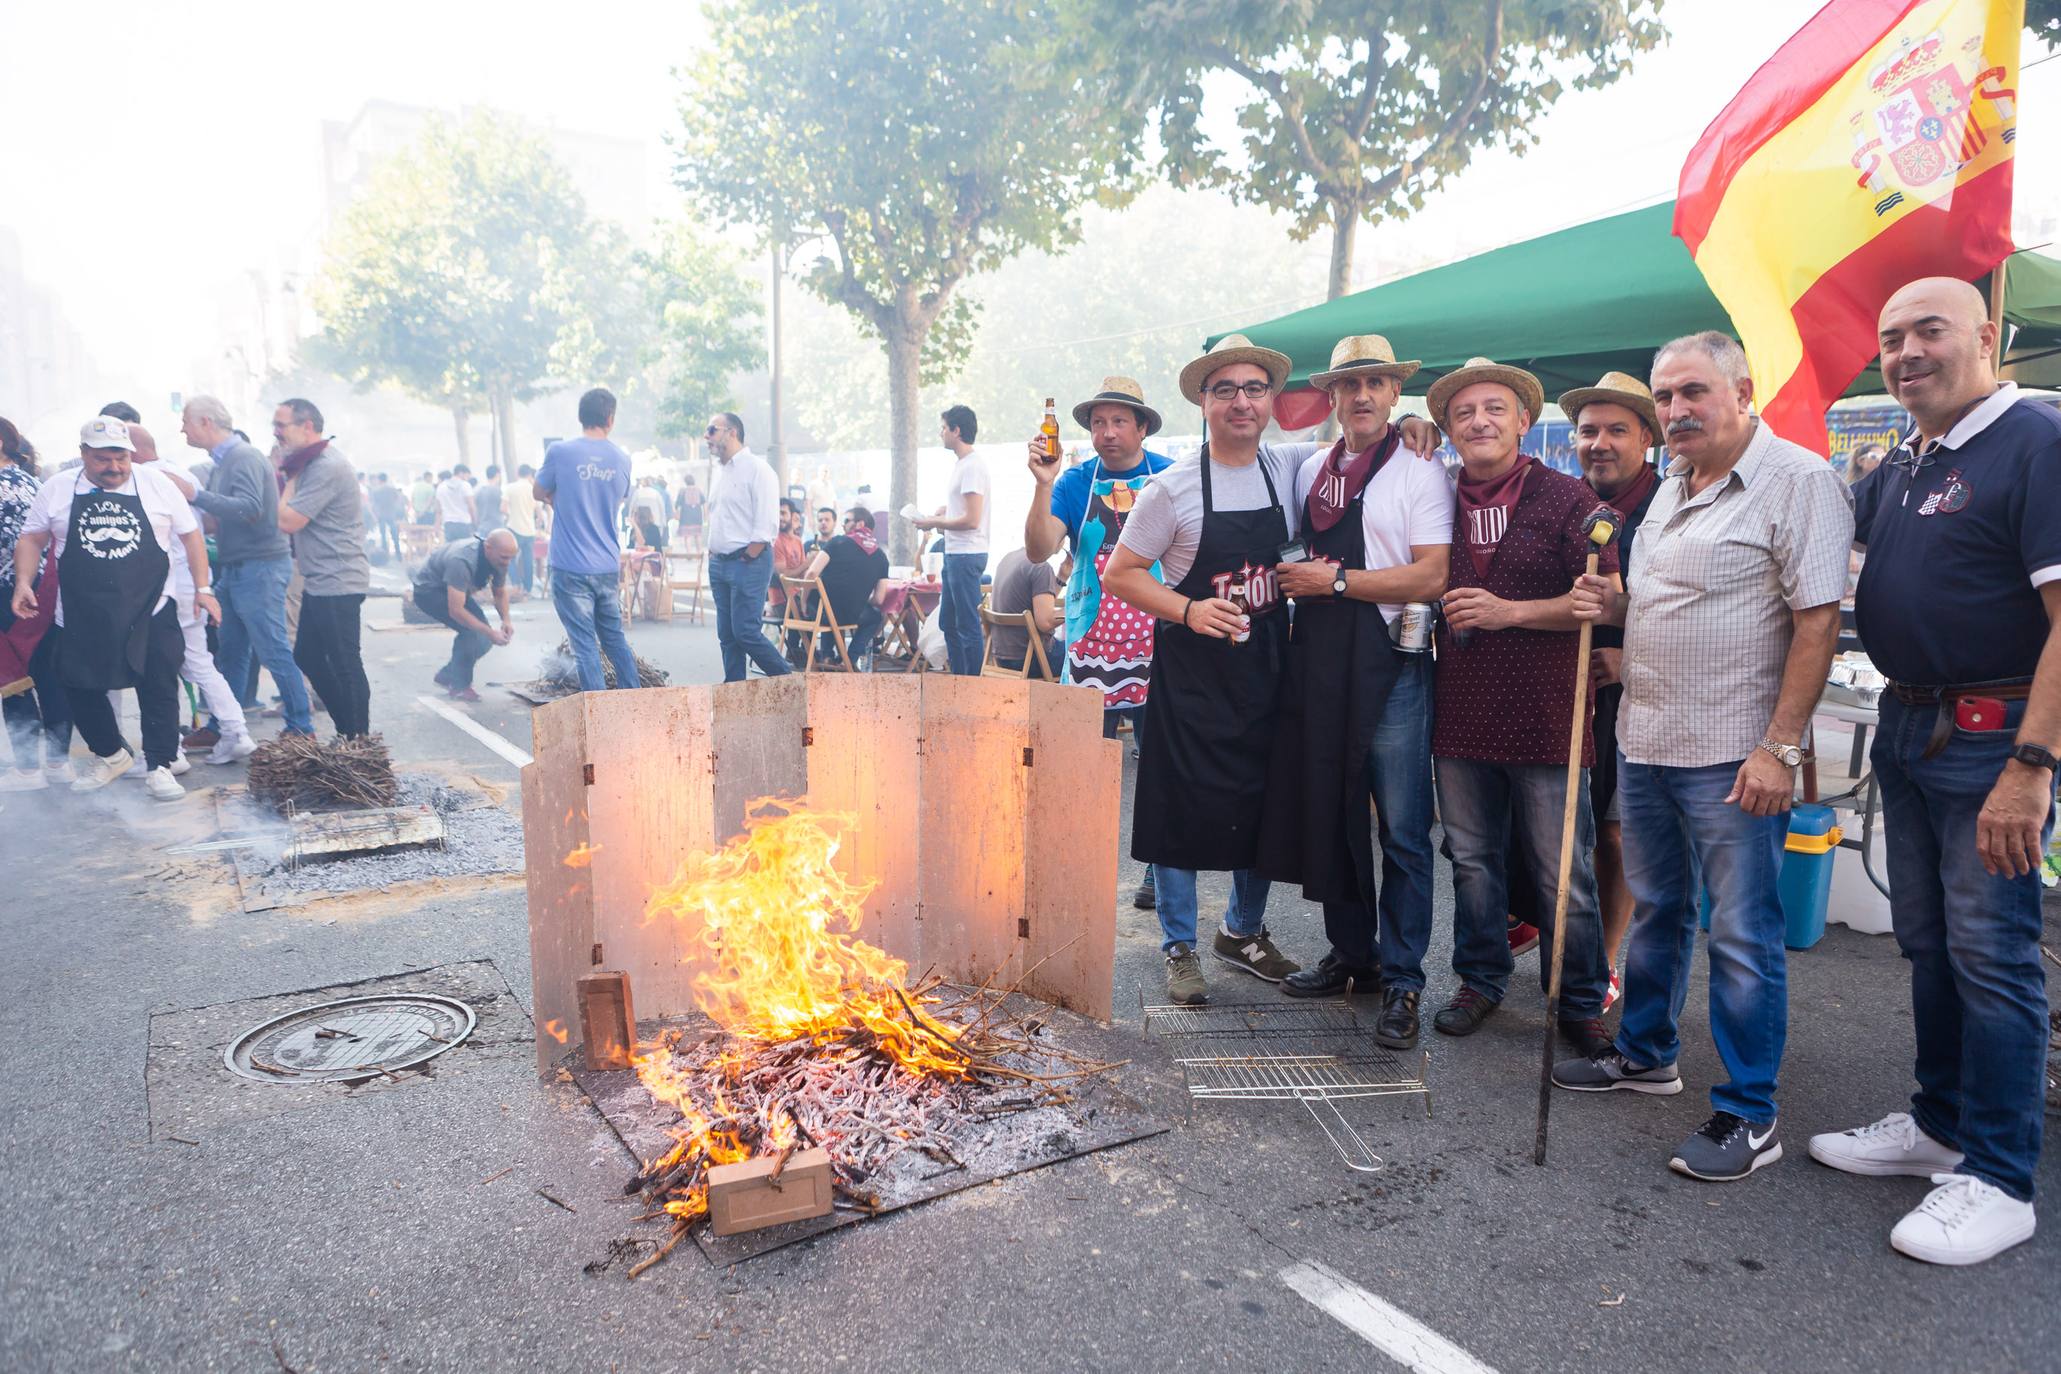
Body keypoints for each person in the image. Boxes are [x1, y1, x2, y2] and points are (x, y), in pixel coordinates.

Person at [1554, 331, 1851, 1184]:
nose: (1675, 411)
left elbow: (1816, 623)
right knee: (1656, 911)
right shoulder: (1675, 489)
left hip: (1731, 754)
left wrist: (1778, 748)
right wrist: (1612, 599)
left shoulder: (1797, 482)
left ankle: (1750, 1113)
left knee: (1743, 935)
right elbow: (1666, 600)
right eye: (1665, 397)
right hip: (1646, 741)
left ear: (1741, 391)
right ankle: (1646, 1056)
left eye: (1692, 392)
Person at [1810, 277, 2057, 1263]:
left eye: (1929, 331)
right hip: (1912, 732)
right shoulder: (1909, 460)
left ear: (1987, 337)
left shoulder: (2034, 442)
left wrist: (2033, 765)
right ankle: (1939, 1124)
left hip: (1995, 740)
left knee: (1993, 958)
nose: (1905, 351)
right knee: (1930, 945)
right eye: (1890, 337)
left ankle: (1999, 1176)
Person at [1257, 335, 1452, 1053]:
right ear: (1331, 397)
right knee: (1332, 812)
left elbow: (1432, 575)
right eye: (1349, 385)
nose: (1362, 396)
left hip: (1390, 664)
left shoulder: (1419, 471)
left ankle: (1403, 978)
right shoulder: (1309, 466)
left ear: (1392, 394)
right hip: (1318, 662)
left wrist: (1334, 582)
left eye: (1374, 383)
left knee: (1402, 832)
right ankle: (1354, 955)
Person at [1423, 357, 1617, 1060]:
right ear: (1448, 430)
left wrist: (1510, 611)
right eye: (1464, 412)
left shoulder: (1569, 500)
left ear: (1523, 423)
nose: (1479, 421)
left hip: (1547, 714)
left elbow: (1605, 598)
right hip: (1460, 711)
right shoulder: (1433, 500)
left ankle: (1577, 997)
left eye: (1494, 409)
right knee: (1471, 860)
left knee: (1562, 867)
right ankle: (1479, 979)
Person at [1101, 335, 1303, 1005]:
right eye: (1225, 391)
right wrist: (1188, 610)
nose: (1240, 402)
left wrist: (1412, 429)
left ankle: (1242, 932)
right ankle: (1179, 945)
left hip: (1268, 666)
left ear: (1269, 401)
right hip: (1192, 675)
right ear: (1202, 403)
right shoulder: (1172, 487)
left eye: (1253, 389)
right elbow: (1121, 575)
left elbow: (1360, 457)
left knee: (1267, 802)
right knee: (1179, 809)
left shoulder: (1291, 471)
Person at [1023, 376, 1178, 908]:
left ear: (1141, 427)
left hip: (1160, 635)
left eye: (1118, 422)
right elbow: (1040, 548)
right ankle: (1080, 867)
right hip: (1091, 637)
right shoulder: (1072, 482)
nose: (1107, 433)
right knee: (1086, 761)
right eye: (1097, 423)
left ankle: (1159, 871)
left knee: (1159, 762)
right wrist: (1043, 484)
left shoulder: (1172, 476)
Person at [9, 417, 215, 800]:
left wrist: (204, 588)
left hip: (151, 605)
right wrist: (23, 582)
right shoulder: (57, 488)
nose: (115, 467)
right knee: (74, 681)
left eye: (121, 458)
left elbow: (191, 536)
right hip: (82, 611)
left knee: (158, 684)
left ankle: (159, 767)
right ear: (84, 454)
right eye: (103, 459)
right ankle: (112, 753)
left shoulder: (156, 485)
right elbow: (32, 538)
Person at [1561, 372, 1664, 1009]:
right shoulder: (1563, 498)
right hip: (1569, 691)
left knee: (1619, 834)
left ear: (1647, 437)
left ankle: (1603, 960)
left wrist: (1634, 654)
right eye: (1588, 430)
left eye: (1616, 430)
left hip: (1644, 694)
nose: (1600, 443)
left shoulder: (1675, 501)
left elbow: (1694, 603)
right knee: (1562, 825)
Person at [180, 396, 311, 742]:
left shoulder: (244, 458)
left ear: (206, 422)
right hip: (240, 567)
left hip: (261, 566)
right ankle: (224, 725)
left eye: (186, 422)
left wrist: (195, 495)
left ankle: (301, 725)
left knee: (272, 647)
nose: (182, 429)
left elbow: (251, 508)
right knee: (231, 649)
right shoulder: (226, 461)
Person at [124, 420, 254, 764]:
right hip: (193, 582)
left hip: (162, 588)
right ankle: (236, 730)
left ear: (132, 451)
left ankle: (166, 753)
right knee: (197, 662)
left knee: (157, 666)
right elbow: (209, 524)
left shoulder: (140, 479)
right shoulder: (182, 474)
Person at [274, 399, 372, 739]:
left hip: (339, 578)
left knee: (345, 663)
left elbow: (288, 520)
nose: (276, 433)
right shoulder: (310, 464)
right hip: (321, 579)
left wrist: (289, 479)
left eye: (281, 425)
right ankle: (348, 729)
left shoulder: (325, 465)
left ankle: (358, 740)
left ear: (307, 427)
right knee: (308, 655)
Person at [535, 388, 641, 693]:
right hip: (606, 563)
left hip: (570, 565)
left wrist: (560, 498)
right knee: (614, 637)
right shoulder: (622, 458)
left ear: (581, 417)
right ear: (610, 419)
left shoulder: (560, 452)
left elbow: (538, 492)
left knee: (584, 644)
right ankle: (633, 697)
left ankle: (599, 711)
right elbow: (619, 498)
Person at [0, 416, 71, 790]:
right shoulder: (31, 480)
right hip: (44, 588)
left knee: (12, 677)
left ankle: (27, 770)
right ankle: (58, 762)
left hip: (9, 591)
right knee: (48, 673)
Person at [703, 411, 791, 682]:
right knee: (728, 636)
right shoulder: (720, 472)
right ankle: (734, 692)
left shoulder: (758, 469)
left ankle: (790, 682)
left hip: (747, 561)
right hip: (720, 563)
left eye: (711, 430)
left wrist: (746, 559)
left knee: (745, 632)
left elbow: (766, 526)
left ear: (731, 432)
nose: (706, 437)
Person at [911, 404, 990, 675]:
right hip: (955, 553)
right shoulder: (963, 465)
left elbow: (972, 519)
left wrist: (934, 522)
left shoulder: (972, 467)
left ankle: (972, 684)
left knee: (967, 625)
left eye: (943, 428)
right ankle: (958, 679)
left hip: (967, 554)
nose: (940, 433)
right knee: (948, 623)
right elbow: (964, 513)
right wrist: (946, 513)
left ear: (956, 430)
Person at [414, 530, 517, 702]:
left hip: (454, 591)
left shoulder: (499, 560)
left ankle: (448, 674)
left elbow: (499, 593)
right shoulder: (461, 561)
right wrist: (490, 632)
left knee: (484, 638)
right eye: (504, 557)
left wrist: (506, 620)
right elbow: (456, 611)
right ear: (488, 548)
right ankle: (460, 686)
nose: (507, 562)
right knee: (471, 632)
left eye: (510, 558)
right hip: (429, 591)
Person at [800, 507, 893, 668]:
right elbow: (879, 599)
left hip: (823, 612)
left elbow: (812, 572)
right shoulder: (881, 556)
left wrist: (802, 600)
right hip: (853, 615)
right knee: (875, 617)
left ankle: (827, 657)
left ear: (860, 524)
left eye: (846, 521)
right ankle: (849, 659)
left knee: (828, 605)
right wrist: (859, 598)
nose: (843, 526)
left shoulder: (837, 542)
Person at [987, 547, 1064, 677]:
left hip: (1002, 659)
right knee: (1084, 651)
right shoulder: (1041, 567)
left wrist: (1062, 577)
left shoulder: (1009, 558)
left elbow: (1040, 603)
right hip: (1032, 660)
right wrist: (1079, 607)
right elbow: (1045, 622)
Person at [503, 463, 539, 594]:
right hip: (530, 530)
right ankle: (527, 588)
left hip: (514, 528)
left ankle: (515, 584)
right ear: (530, 474)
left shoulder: (510, 488)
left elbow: (503, 508)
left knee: (510, 558)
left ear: (518, 473)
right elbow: (539, 513)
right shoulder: (533, 488)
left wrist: (509, 516)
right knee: (528, 560)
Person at [369, 473, 406, 558]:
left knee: (383, 534)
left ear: (379, 480)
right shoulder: (392, 489)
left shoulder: (376, 490)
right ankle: (398, 553)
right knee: (394, 533)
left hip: (381, 514)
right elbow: (397, 499)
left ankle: (384, 553)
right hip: (391, 513)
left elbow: (374, 503)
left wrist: (375, 514)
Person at [436, 464, 476, 542]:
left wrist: (437, 525)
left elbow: (438, 510)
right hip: (464, 523)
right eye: (467, 476)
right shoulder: (465, 486)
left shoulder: (441, 487)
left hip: (448, 524)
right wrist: (474, 522)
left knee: (450, 549)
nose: (467, 479)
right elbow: (471, 507)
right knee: (465, 549)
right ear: (461, 473)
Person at [678, 475, 704, 553]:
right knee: (697, 535)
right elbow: (704, 503)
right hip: (697, 516)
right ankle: (699, 552)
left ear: (685, 482)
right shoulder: (699, 490)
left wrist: (677, 514)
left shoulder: (682, 491)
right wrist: (706, 516)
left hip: (686, 516)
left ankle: (689, 553)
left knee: (687, 536)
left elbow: (678, 504)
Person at [475, 465, 505, 534]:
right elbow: (503, 508)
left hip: (482, 528)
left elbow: (476, 510)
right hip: (497, 529)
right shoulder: (498, 491)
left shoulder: (479, 491)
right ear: (497, 474)